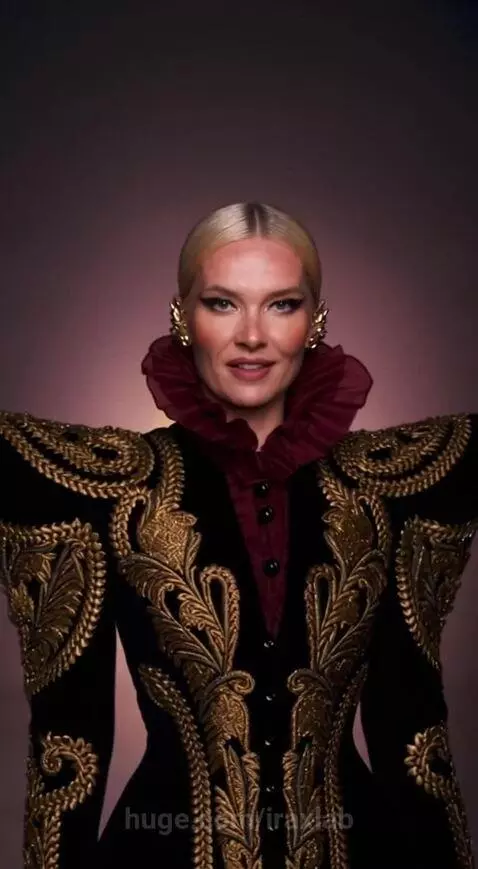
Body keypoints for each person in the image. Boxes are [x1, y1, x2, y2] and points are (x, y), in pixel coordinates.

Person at [0, 200, 476, 869]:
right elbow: (69, 743)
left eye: (281, 304)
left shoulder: (388, 486)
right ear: (181, 318)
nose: (252, 334)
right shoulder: (107, 486)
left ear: (315, 322)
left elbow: (413, 732)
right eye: (222, 303)